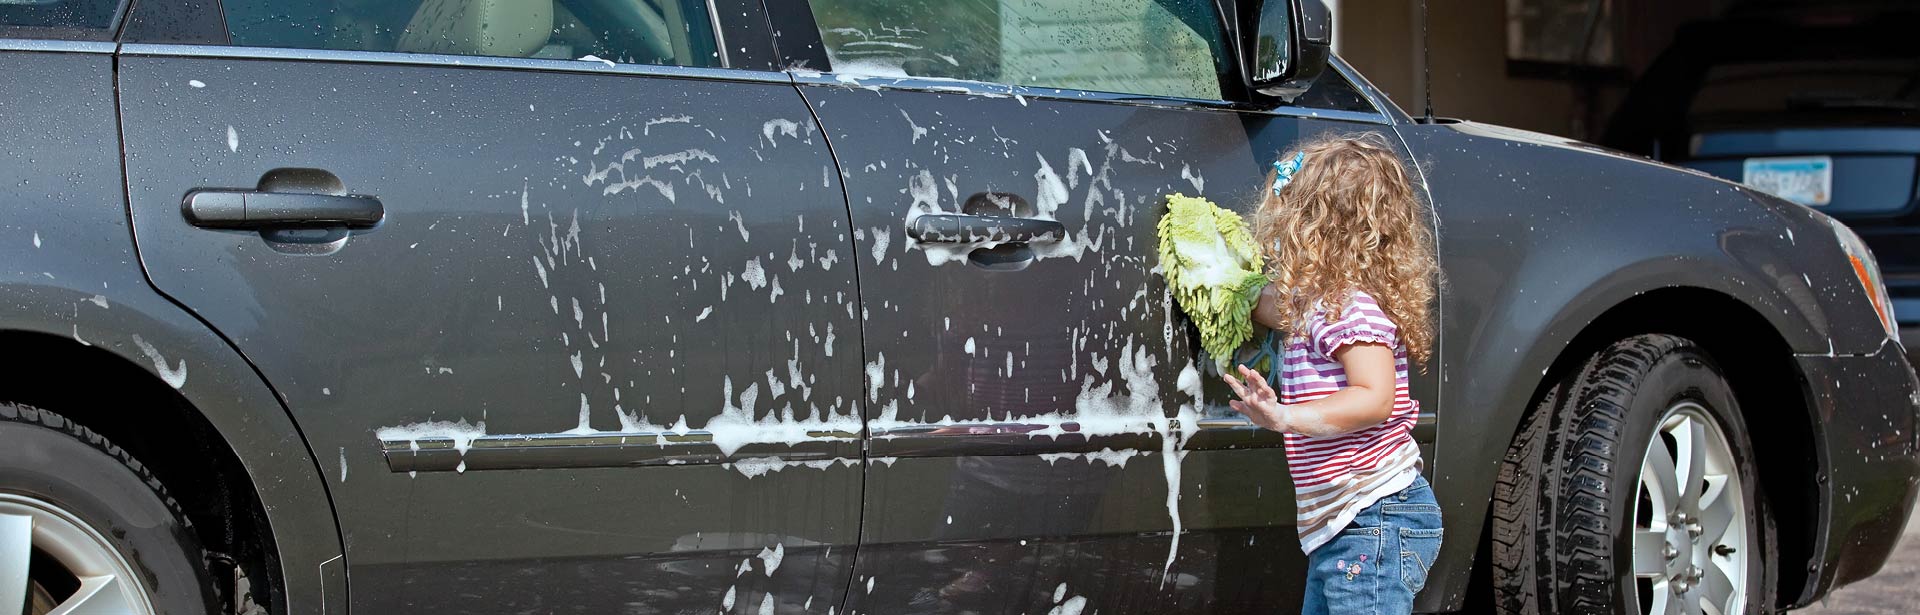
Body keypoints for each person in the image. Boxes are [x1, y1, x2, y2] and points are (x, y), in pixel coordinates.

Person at [1219, 132, 1443, 615]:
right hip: (1346, 524)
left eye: (1286, 224)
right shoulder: (1317, 305)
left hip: (1374, 517)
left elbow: (1375, 397)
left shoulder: (1349, 309)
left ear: (1319, 232)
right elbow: (1266, 305)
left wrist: (1285, 417)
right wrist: (1211, 273)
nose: (1274, 238)